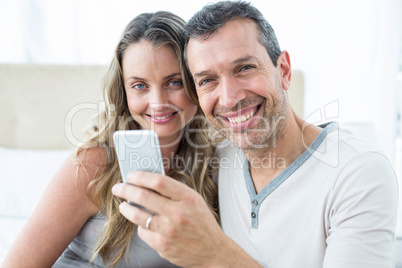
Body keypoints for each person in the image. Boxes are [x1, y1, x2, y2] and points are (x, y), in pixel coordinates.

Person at [112, 1, 399, 267]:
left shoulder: (357, 172)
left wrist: (215, 253)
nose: (229, 98)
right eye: (208, 80)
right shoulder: (217, 155)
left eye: (244, 68)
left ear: (284, 70)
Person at [2, 11, 219, 268]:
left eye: (174, 82)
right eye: (140, 86)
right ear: (123, 91)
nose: (158, 103)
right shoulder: (95, 162)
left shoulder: (213, 160)